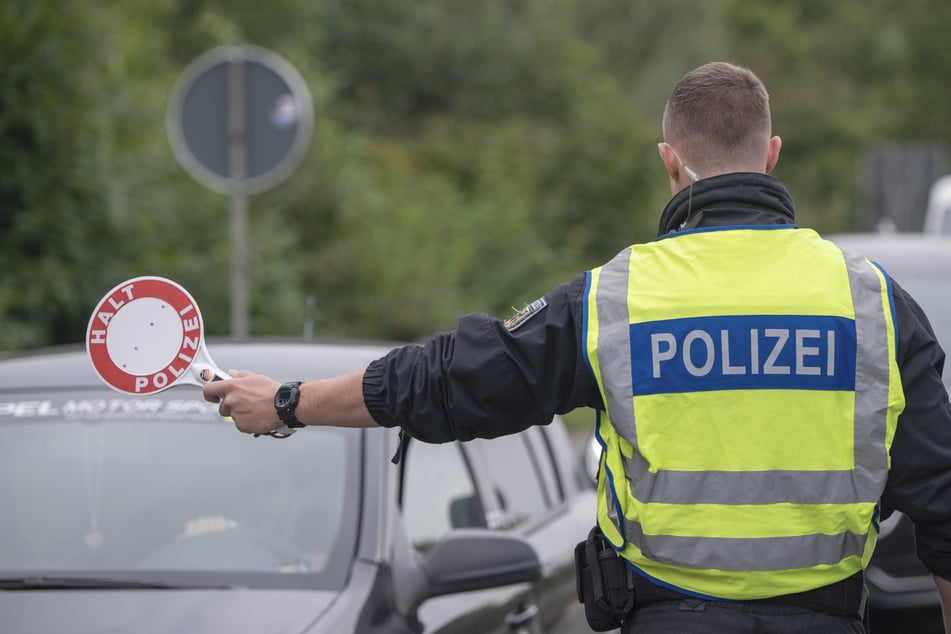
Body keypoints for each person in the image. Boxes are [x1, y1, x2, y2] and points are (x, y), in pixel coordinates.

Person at [204, 62, 951, 633]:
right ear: (771, 155)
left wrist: (287, 404)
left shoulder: (616, 300)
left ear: (670, 160)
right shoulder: (873, 304)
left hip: (667, 618)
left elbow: (451, 380)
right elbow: (941, 506)